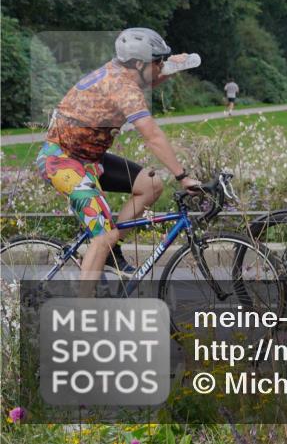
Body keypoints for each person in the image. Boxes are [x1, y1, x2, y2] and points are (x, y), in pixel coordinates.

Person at [36, 28, 202, 284]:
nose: (161, 67)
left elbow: (149, 77)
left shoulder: (123, 71)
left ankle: (112, 252)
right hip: (62, 162)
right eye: (157, 61)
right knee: (103, 237)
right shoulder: (122, 87)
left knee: (151, 184)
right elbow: (152, 136)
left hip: (91, 160)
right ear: (138, 63)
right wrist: (182, 176)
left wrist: (172, 66)